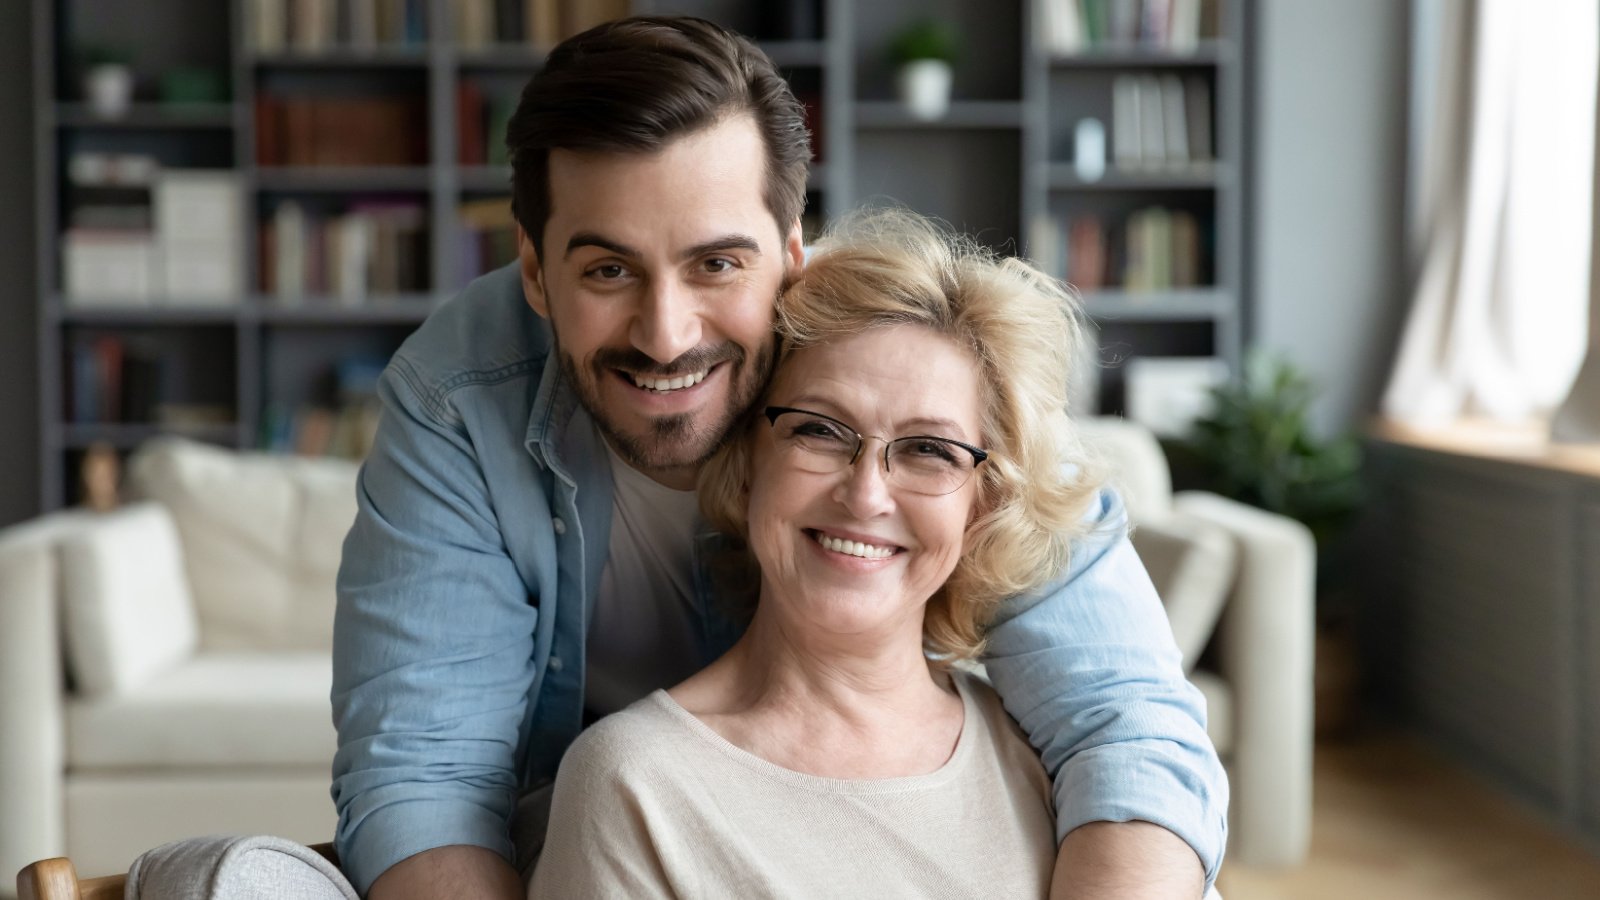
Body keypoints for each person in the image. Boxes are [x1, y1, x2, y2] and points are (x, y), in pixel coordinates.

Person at [331, 16, 1226, 900]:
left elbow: (1127, 724)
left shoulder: (922, 364)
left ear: (793, 250)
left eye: (717, 263)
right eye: (608, 271)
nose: (667, 335)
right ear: (534, 271)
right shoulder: (459, 395)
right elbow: (425, 779)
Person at [531, 208, 1102, 898]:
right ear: (746, 465)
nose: (865, 496)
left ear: (980, 506)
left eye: (928, 450)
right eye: (820, 432)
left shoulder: (1055, 763)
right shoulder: (635, 785)